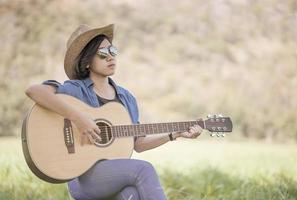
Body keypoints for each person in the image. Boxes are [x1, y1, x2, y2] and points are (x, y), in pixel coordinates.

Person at [25, 24, 203, 200]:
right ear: (87, 61)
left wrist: (173, 134)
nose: (110, 57)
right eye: (102, 53)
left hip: (114, 174)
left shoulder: (126, 98)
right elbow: (34, 91)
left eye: (112, 50)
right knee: (144, 169)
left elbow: (138, 143)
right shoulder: (75, 89)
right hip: (82, 177)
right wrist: (79, 118)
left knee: (131, 195)